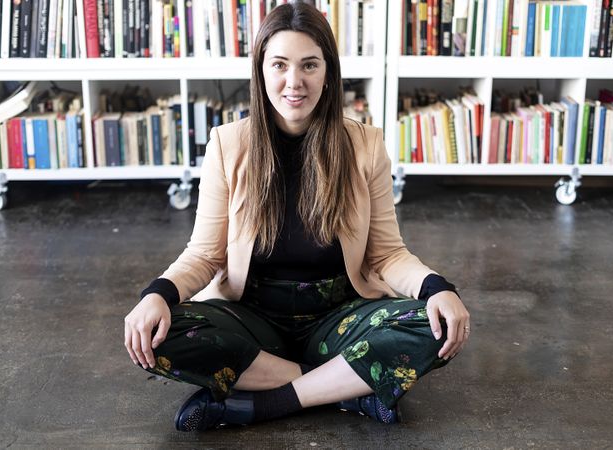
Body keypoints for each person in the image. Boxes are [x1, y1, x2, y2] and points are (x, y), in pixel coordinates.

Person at [124, 2, 470, 431]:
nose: (294, 82)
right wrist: (157, 294)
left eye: (309, 65)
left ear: (328, 73)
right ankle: (347, 385)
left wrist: (437, 288)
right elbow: (205, 254)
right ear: (261, 71)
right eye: (280, 65)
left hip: (339, 314)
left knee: (432, 325)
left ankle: (262, 402)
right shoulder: (227, 144)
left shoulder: (365, 145)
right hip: (250, 318)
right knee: (158, 332)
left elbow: (386, 254)